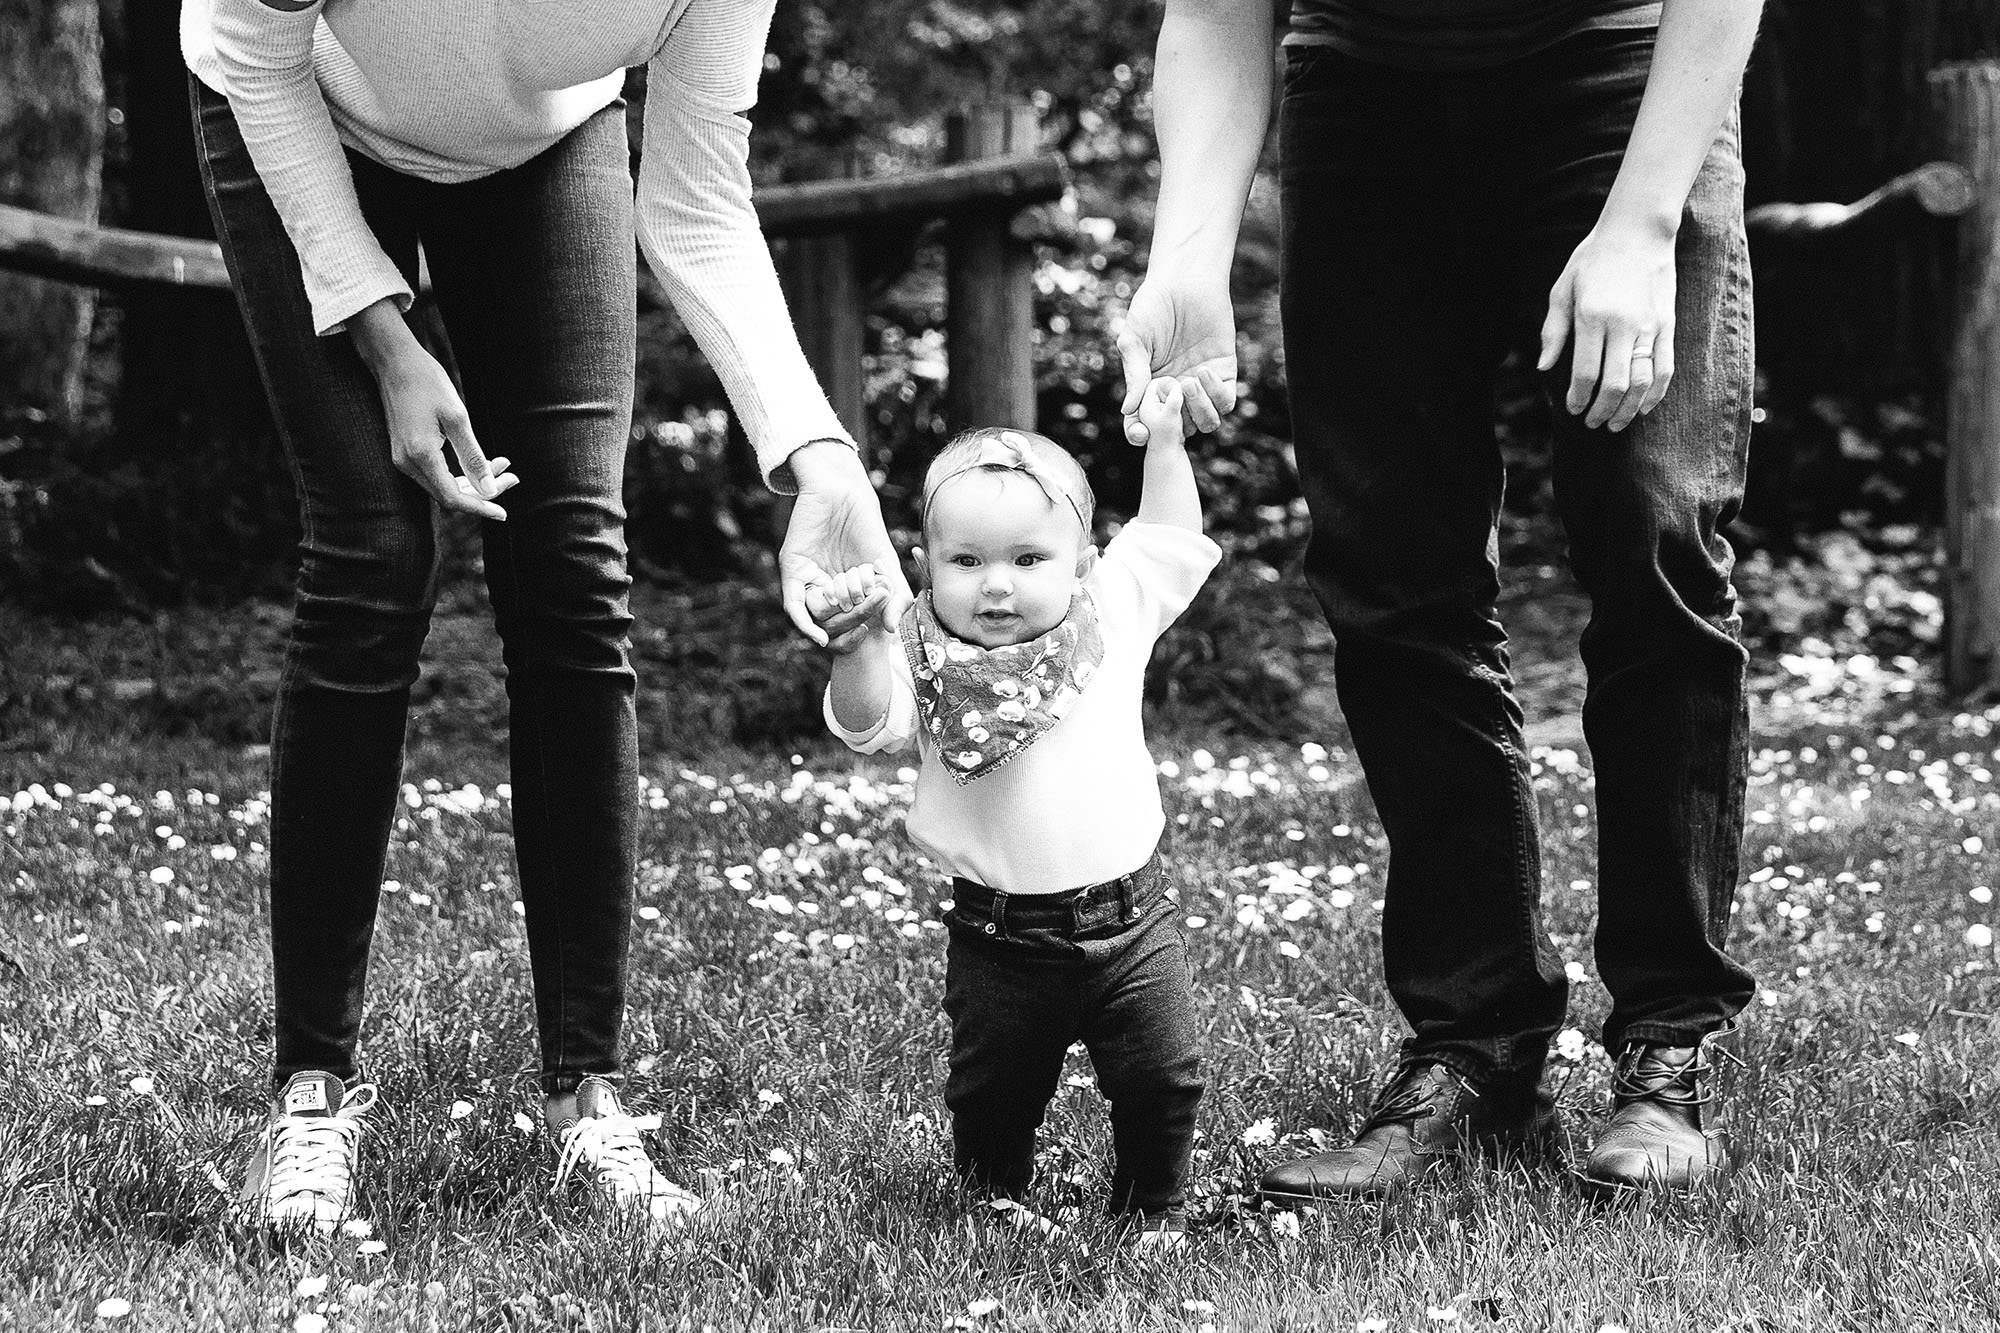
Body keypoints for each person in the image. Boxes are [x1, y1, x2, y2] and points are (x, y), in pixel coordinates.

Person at [182, 0, 901, 1232]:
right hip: (291, 105)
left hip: (547, 147)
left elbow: (696, 203)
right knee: (368, 552)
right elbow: (253, 46)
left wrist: (813, 450)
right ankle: (309, 1092)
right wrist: (385, 337)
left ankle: (588, 1096)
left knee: (573, 567)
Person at [1120, 0, 1764, 1197]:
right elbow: (1216, 9)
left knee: (1650, 540)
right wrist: (1185, 259)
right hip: (1364, 95)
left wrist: (1638, 223)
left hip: (1620, 73)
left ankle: (1666, 1044)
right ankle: (1474, 1045)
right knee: (1387, 573)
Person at [809, 381, 1218, 1243]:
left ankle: (1154, 1206)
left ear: (1082, 563)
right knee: (992, 1087)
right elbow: (864, 725)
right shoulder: (920, 654)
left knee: (1164, 1075)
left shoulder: (1113, 617)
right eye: (966, 561)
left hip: (1132, 919)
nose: (997, 585)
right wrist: (854, 648)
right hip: (998, 937)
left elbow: (1172, 537)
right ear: (926, 565)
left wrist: (1167, 444)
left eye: (1029, 559)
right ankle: (994, 1194)